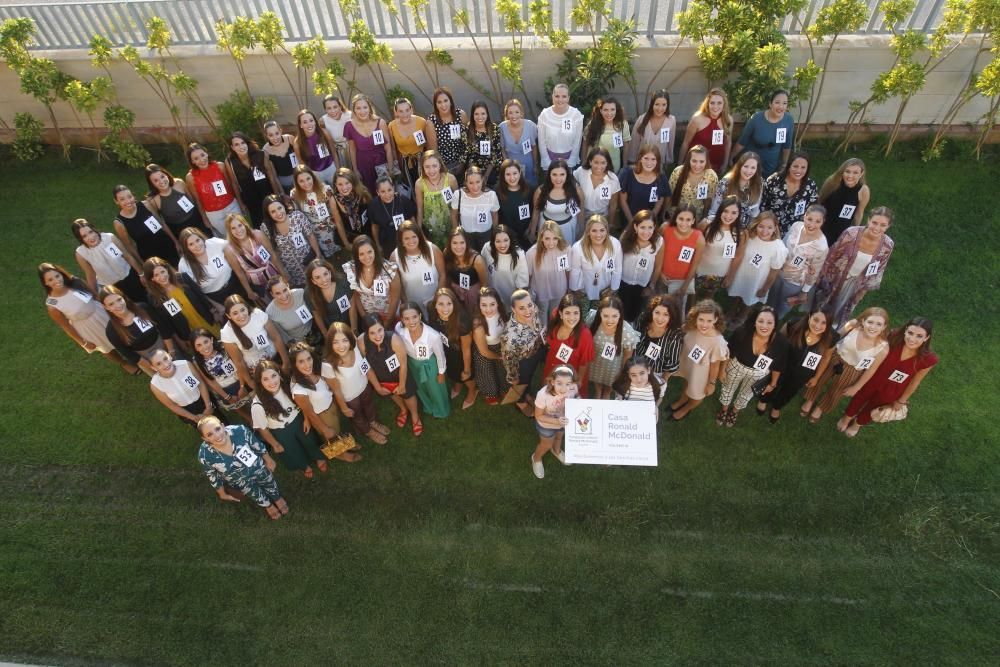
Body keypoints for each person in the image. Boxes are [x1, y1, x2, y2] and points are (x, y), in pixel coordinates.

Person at [837, 317, 938, 437]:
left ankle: (857, 424)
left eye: (919, 336)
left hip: (893, 390)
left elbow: (915, 382)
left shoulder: (928, 359)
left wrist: (901, 401)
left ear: (926, 338)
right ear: (905, 330)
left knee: (873, 408)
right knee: (859, 397)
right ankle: (846, 418)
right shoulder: (893, 337)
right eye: (910, 333)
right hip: (873, 379)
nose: (912, 339)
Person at [39, 262, 136, 373]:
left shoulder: (74, 282)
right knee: (106, 348)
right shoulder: (53, 305)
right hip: (87, 326)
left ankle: (136, 353)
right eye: (50, 279)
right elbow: (66, 327)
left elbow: (94, 294)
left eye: (57, 276)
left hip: (100, 311)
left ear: (61, 274)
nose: (56, 281)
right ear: (45, 283)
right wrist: (83, 342)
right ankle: (123, 363)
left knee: (123, 333)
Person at [801, 306, 891, 424]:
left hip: (852, 370)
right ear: (863, 321)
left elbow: (871, 370)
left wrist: (856, 387)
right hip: (835, 357)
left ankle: (820, 408)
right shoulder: (853, 326)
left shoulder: (883, 348)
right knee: (820, 378)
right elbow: (834, 337)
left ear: (884, 327)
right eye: (870, 322)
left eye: (879, 324)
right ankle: (810, 399)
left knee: (837, 391)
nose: (873, 327)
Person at [813, 207, 895, 329]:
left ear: (888, 226)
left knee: (840, 314)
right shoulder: (851, 233)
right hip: (834, 278)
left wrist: (863, 290)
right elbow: (832, 254)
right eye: (874, 223)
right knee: (822, 307)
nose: (877, 228)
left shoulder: (887, 245)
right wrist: (821, 276)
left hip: (856, 285)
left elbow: (879, 268)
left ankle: (830, 333)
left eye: (883, 225)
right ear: (868, 220)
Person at [197, 416, 288, 520]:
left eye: (217, 429)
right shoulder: (205, 455)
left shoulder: (239, 431)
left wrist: (268, 459)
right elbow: (212, 475)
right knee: (254, 493)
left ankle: (277, 498)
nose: (217, 435)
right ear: (204, 438)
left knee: (269, 482)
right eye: (209, 434)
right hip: (240, 480)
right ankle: (268, 505)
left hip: (258, 467)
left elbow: (256, 444)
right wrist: (222, 493)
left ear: (222, 426)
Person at [251, 360, 329, 478]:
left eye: (273, 376)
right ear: (259, 382)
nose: (272, 382)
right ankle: (304, 465)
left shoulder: (289, 385)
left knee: (309, 440)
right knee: (292, 450)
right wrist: (275, 444)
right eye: (265, 379)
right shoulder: (257, 405)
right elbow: (263, 429)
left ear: (279, 373)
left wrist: (306, 419)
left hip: (299, 420)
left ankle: (318, 457)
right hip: (281, 431)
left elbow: (302, 404)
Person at [715, 305, 789, 427]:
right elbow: (729, 353)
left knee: (746, 395)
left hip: (759, 373)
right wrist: (722, 370)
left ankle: (734, 412)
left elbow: (779, 365)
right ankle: (724, 409)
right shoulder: (741, 333)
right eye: (761, 321)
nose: (764, 326)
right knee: (728, 388)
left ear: (775, 325)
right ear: (755, 322)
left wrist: (773, 383)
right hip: (737, 366)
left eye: (769, 322)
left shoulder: (781, 343)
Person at [759, 307, 835, 424]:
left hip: (802, 374)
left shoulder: (830, 338)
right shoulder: (793, 325)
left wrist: (816, 377)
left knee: (789, 391)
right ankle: (764, 400)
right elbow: (778, 343)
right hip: (781, 365)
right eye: (816, 320)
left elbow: (826, 358)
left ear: (828, 324)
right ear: (809, 317)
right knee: (772, 383)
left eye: (824, 323)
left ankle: (777, 407)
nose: (818, 326)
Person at [288, 341, 361, 463]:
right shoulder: (298, 389)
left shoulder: (318, 369)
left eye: (308, 359)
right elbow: (309, 412)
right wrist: (324, 429)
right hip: (321, 416)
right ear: (294, 364)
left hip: (331, 406)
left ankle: (346, 444)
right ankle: (342, 455)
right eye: (301, 361)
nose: (307, 365)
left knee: (337, 431)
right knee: (330, 437)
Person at [324, 322, 391, 443]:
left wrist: (377, 387)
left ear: (350, 339)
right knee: (358, 416)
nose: (341, 346)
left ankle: (373, 422)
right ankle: (368, 431)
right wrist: (344, 408)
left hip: (365, 387)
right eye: (335, 342)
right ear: (330, 344)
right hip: (350, 398)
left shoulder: (355, 349)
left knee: (369, 406)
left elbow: (367, 368)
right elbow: (336, 390)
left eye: (344, 340)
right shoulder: (328, 365)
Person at [358, 313, 422, 436]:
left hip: (400, 374)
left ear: (383, 327)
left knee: (407, 395)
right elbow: (366, 366)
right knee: (392, 394)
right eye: (372, 333)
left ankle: (415, 416)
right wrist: (377, 386)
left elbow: (403, 364)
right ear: (366, 333)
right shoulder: (361, 342)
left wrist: (402, 384)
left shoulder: (394, 340)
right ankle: (403, 410)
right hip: (381, 376)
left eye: (380, 330)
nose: (377, 336)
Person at [724, 211, 787, 323]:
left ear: (775, 228)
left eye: (769, 227)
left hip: (757, 282)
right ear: (756, 225)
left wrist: (765, 288)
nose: (764, 231)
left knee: (749, 299)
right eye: (761, 226)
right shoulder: (749, 237)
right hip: (742, 275)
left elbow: (774, 271)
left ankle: (741, 317)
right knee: (737, 294)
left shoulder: (779, 248)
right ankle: (731, 311)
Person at [670, 299, 729, 420]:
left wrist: (711, 383)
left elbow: (715, 366)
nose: (704, 324)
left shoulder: (717, 342)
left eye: (709, 321)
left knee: (697, 395)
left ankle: (686, 409)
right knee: (687, 382)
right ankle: (682, 400)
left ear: (716, 320)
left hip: (701, 373)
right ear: (695, 317)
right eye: (701, 319)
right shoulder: (692, 328)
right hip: (690, 365)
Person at [768, 204, 829, 319]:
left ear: (823, 222)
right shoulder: (796, 226)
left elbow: (814, 272)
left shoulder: (821, 246)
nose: (812, 224)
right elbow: (783, 245)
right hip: (778, 271)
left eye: (817, 221)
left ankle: (775, 321)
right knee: (772, 297)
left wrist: (805, 291)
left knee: (784, 304)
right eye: (809, 219)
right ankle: (766, 314)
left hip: (794, 282)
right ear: (804, 216)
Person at [100, 285, 177, 375]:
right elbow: (129, 354)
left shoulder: (142, 308)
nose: (118, 305)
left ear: (123, 298)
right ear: (106, 307)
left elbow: (163, 328)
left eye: (119, 300)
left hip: (165, 345)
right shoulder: (111, 331)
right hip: (145, 358)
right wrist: (153, 366)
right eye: (111, 304)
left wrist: (171, 351)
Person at [220, 294, 290, 389]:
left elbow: (276, 338)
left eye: (242, 310)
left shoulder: (258, 314)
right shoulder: (227, 333)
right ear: (229, 316)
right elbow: (238, 361)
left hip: (276, 359)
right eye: (235, 313)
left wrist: (286, 362)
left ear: (247, 308)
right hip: (257, 371)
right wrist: (250, 382)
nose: (241, 315)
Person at [143, 256, 220, 343]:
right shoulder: (154, 298)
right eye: (156, 275)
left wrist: (214, 312)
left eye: (162, 271)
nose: (162, 277)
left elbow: (201, 296)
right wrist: (181, 340)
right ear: (152, 279)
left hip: (208, 321)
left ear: (167, 270)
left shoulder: (183, 278)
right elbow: (167, 322)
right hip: (189, 334)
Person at [395, 302, 451, 419]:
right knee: (420, 387)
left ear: (420, 316)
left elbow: (440, 356)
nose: (411, 322)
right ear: (402, 319)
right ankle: (428, 405)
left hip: (429, 365)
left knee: (435, 389)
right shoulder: (399, 330)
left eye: (414, 317)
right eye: (406, 318)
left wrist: (441, 373)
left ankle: (441, 409)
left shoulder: (433, 335)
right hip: (412, 363)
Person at [71, 218, 145, 303]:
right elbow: (90, 275)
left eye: (90, 232)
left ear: (94, 229)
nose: (90, 237)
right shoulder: (81, 254)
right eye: (84, 236)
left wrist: (141, 273)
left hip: (131, 277)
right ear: (80, 239)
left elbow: (127, 256)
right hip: (113, 289)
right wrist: (95, 295)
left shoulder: (109, 238)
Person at [191, 328, 254, 422]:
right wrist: (227, 397)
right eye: (199, 345)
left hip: (241, 380)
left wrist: (242, 386)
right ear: (195, 348)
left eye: (206, 342)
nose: (204, 347)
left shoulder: (223, 346)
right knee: (242, 411)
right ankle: (251, 422)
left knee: (255, 403)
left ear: (211, 340)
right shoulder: (197, 361)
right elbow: (211, 381)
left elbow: (238, 364)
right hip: (225, 389)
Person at [500, 289, 546, 417]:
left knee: (529, 378)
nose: (528, 311)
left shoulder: (534, 310)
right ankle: (520, 402)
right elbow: (508, 359)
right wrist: (513, 377)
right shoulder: (510, 336)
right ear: (514, 310)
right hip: (522, 362)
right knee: (521, 381)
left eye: (529, 305)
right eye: (521, 308)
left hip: (535, 352)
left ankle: (526, 393)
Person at [260, 194, 322, 287]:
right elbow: (273, 253)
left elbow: (310, 236)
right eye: (273, 212)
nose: (278, 213)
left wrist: (318, 255)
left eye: (279, 208)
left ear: (284, 206)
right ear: (269, 214)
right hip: (291, 270)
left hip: (309, 261)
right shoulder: (266, 228)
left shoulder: (297, 216)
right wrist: (283, 273)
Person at [429, 287, 477, 409]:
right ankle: (457, 385)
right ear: (435, 305)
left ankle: (472, 390)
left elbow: (466, 349)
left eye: (449, 304)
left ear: (454, 304)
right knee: (452, 371)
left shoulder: (462, 321)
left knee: (464, 376)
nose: (445, 308)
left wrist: (467, 370)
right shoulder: (433, 315)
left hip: (461, 355)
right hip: (446, 351)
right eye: (441, 304)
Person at [389, 221, 447, 318]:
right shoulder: (395, 257)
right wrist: (408, 305)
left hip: (435, 303)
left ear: (419, 236)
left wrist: (438, 299)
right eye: (406, 238)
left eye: (414, 237)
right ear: (401, 241)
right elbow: (398, 286)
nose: (411, 241)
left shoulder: (433, 250)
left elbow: (443, 275)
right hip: (413, 306)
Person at [224, 131, 281, 228]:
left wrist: (277, 195)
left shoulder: (261, 154)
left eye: (243, 143)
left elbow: (271, 176)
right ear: (232, 147)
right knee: (260, 226)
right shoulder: (230, 162)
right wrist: (241, 203)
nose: (241, 146)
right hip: (251, 200)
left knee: (275, 221)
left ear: (247, 143)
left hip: (267, 194)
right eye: (237, 145)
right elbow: (234, 183)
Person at [111, 184, 180, 266]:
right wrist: (143, 263)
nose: (128, 201)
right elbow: (130, 246)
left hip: (168, 246)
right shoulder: (119, 223)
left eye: (129, 197)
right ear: (116, 201)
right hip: (151, 256)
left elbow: (162, 224)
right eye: (122, 199)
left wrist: (176, 242)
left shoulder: (146, 205)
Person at [177, 227, 245, 309]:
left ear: (202, 238)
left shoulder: (214, 243)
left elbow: (233, 245)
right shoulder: (184, 265)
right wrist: (215, 306)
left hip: (235, 284)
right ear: (186, 248)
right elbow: (195, 292)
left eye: (197, 240)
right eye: (191, 244)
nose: (197, 245)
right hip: (216, 297)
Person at [530, 365, 579, 479]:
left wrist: (578, 402)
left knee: (559, 437)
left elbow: (575, 397)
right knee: (546, 444)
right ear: (552, 382)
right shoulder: (543, 394)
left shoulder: (573, 388)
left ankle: (556, 451)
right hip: (547, 424)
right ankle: (536, 458)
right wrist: (556, 421)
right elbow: (538, 416)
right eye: (559, 383)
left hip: (564, 421)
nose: (564, 389)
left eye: (568, 384)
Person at [586, 294, 639, 400]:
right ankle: (598, 390)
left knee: (610, 381)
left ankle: (607, 392)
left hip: (614, 366)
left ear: (620, 315)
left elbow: (627, 357)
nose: (610, 321)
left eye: (614, 316)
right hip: (596, 361)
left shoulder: (626, 332)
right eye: (605, 316)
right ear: (600, 314)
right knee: (596, 376)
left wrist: (623, 372)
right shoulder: (592, 320)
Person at [731, 90, 795, 177]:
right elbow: (742, 141)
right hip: (751, 163)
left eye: (784, 103)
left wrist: (784, 164)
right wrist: (730, 158)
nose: (781, 106)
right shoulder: (756, 118)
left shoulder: (788, 120)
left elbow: (787, 145)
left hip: (771, 165)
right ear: (770, 104)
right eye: (777, 102)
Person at [184, 143, 242, 238]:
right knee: (227, 237)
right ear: (192, 162)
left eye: (202, 155)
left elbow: (231, 185)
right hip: (214, 214)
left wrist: (240, 202)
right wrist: (204, 218)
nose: (201, 160)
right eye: (196, 158)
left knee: (241, 230)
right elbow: (197, 200)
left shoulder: (220, 166)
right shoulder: (190, 177)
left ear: (207, 153)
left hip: (231, 206)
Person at [224, 213, 285, 304]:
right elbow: (239, 273)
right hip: (258, 284)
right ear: (229, 231)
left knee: (284, 297)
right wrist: (249, 291)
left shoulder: (257, 235)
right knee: (271, 305)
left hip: (274, 274)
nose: (238, 230)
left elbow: (272, 254)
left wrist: (283, 274)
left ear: (244, 224)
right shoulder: (229, 250)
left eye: (240, 225)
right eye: (233, 228)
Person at [542, 293, 595, 397]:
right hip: (551, 367)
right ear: (560, 314)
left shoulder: (584, 335)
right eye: (567, 313)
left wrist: (577, 383)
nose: (572, 317)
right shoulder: (555, 323)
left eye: (576, 313)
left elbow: (584, 363)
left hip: (570, 376)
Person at [148, 349, 216, 428]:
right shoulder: (156, 384)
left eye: (165, 358)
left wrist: (208, 406)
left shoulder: (185, 365)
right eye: (159, 364)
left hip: (203, 399)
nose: (165, 364)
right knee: (204, 429)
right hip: (187, 411)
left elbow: (200, 384)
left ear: (170, 356)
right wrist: (193, 417)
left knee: (218, 419)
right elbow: (172, 405)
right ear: (154, 367)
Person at [343, 234, 401, 324]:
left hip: (390, 315)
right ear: (356, 255)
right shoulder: (352, 270)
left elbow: (395, 298)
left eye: (369, 252)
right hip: (369, 318)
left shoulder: (389, 269)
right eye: (361, 254)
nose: (367, 257)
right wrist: (365, 318)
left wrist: (388, 322)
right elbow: (356, 296)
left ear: (375, 251)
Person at [618, 210, 663, 323]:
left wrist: (651, 286)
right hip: (623, 284)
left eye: (650, 227)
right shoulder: (625, 239)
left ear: (654, 227)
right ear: (635, 226)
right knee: (621, 313)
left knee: (636, 316)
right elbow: (617, 262)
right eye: (642, 227)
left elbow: (658, 266)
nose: (646, 232)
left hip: (642, 287)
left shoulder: (659, 241)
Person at [345, 93, 395, 194]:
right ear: (354, 110)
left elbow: (388, 147)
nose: (362, 111)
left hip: (381, 163)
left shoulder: (380, 122)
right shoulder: (349, 126)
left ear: (370, 108)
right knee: (370, 193)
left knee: (386, 191)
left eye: (365, 107)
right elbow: (352, 149)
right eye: (358, 108)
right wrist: (355, 170)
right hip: (363, 166)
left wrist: (390, 168)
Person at [659, 204, 704, 313]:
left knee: (677, 310)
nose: (684, 223)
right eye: (681, 219)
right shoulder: (665, 229)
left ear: (693, 221)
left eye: (688, 220)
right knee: (659, 305)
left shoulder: (699, 238)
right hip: (662, 277)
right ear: (676, 218)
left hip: (681, 281)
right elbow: (656, 252)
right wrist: (660, 273)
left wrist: (684, 287)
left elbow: (695, 265)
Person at [761, 150, 819, 236]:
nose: (798, 170)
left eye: (803, 167)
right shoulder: (773, 181)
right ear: (789, 166)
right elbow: (762, 205)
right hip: (769, 230)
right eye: (795, 166)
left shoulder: (810, 186)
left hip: (795, 232)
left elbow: (812, 211)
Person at [695, 195, 741, 301]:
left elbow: (738, 256)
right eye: (725, 211)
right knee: (693, 293)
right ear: (720, 210)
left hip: (720, 272)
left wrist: (730, 276)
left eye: (734, 213)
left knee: (710, 296)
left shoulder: (740, 233)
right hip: (700, 268)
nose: (728, 216)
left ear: (739, 214)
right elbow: (694, 243)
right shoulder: (707, 224)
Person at [290, 164, 340, 259]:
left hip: (330, 228)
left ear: (312, 177)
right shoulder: (294, 194)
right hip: (312, 231)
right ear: (296, 182)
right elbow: (298, 215)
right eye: (301, 181)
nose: (306, 183)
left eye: (308, 179)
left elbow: (335, 213)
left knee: (338, 253)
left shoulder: (325, 189)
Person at [143, 163, 207, 237]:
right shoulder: (152, 201)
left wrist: (204, 218)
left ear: (166, 174)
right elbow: (161, 224)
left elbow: (194, 202)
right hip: (179, 231)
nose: (161, 181)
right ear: (151, 184)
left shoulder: (179, 183)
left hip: (197, 221)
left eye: (162, 176)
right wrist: (175, 241)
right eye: (156, 180)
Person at [818, 157, 871, 246]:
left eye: (855, 173)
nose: (850, 176)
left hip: (841, 231)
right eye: (847, 171)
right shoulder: (832, 182)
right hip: (822, 226)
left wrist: (855, 232)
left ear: (861, 174)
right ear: (842, 171)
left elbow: (859, 213)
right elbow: (820, 201)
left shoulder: (863, 190)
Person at [570, 214, 623, 303]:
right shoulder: (577, 248)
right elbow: (575, 271)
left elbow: (618, 268)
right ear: (588, 232)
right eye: (594, 231)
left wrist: (613, 289)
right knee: (587, 316)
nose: (598, 235)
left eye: (602, 230)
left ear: (607, 231)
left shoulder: (615, 244)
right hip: (585, 292)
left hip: (606, 292)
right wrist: (574, 290)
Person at [679, 88, 733, 174]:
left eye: (719, 103)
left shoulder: (728, 120)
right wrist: (680, 166)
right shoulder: (697, 119)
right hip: (696, 166)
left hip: (716, 167)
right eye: (712, 103)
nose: (715, 106)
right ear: (707, 104)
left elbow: (728, 143)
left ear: (724, 104)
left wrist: (725, 165)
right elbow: (686, 143)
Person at [470, 287, 509, 406]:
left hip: (500, 346)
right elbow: (484, 351)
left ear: (498, 303)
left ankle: (504, 388)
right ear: (479, 305)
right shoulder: (478, 325)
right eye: (484, 305)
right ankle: (490, 393)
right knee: (486, 372)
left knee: (503, 370)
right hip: (485, 351)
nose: (488, 309)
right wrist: (499, 357)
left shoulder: (502, 313)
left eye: (492, 304)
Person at [634, 294, 684, 385]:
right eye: (657, 312)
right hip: (635, 366)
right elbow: (633, 342)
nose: (660, 318)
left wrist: (662, 383)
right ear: (651, 311)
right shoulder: (642, 320)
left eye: (666, 314)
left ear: (671, 316)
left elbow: (672, 364)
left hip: (656, 374)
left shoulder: (675, 335)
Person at [531, 158, 583, 245]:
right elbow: (536, 213)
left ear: (567, 175)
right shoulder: (541, 191)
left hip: (567, 230)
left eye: (562, 174)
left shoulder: (575, 190)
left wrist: (581, 231)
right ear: (549, 175)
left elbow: (580, 212)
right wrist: (532, 233)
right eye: (554, 174)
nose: (558, 179)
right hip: (546, 230)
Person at [525, 221, 571, 319]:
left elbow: (567, 271)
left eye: (555, 238)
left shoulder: (565, 249)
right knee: (542, 317)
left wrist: (568, 289)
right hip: (540, 293)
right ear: (541, 238)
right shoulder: (531, 253)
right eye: (547, 239)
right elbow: (528, 275)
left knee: (555, 317)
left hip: (559, 291)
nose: (551, 243)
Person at [414, 150, 459, 248]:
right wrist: (419, 231)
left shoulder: (450, 179)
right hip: (432, 228)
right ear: (423, 168)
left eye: (434, 166)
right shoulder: (419, 184)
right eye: (427, 167)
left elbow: (459, 203)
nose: (431, 170)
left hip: (451, 224)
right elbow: (420, 208)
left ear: (440, 165)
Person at [450, 165, 500, 251]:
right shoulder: (458, 195)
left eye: (478, 182)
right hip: (466, 235)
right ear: (466, 182)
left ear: (482, 180)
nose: (475, 186)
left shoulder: (491, 195)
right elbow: (453, 215)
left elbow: (494, 215)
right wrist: (457, 234)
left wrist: (495, 234)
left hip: (486, 235)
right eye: (471, 183)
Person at [707, 151, 763, 228]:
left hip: (744, 230)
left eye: (753, 168)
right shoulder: (726, 182)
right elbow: (714, 210)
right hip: (723, 227)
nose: (748, 171)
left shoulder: (759, 183)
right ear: (740, 166)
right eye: (746, 166)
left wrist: (750, 231)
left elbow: (755, 212)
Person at [537, 83, 585, 172]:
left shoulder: (575, 115)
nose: (560, 100)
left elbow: (577, 140)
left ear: (568, 97)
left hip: (569, 159)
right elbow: (541, 141)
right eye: (557, 96)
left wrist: (571, 161)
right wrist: (547, 161)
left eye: (564, 96)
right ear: (552, 97)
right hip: (550, 160)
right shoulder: (545, 115)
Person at [626, 89, 677, 172]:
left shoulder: (671, 121)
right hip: (641, 165)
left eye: (664, 105)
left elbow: (670, 143)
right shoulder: (642, 120)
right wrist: (632, 162)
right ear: (652, 104)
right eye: (657, 104)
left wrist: (668, 160)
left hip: (659, 165)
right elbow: (634, 144)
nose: (660, 108)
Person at [617, 144, 670, 224]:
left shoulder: (661, 177)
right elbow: (623, 201)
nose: (649, 162)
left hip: (650, 223)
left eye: (653, 159)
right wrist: (632, 223)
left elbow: (659, 202)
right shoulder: (627, 174)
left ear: (657, 161)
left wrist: (649, 222)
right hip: (629, 220)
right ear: (640, 159)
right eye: (646, 158)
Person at [574, 147, 620, 235]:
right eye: (596, 162)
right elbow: (571, 180)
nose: (599, 166)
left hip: (602, 216)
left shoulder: (613, 179)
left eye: (603, 163)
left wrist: (610, 224)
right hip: (582, 214)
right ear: (590, 161)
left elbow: (613, 204)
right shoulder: (581, 172)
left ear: (607, 163)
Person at [442, 228, 489, 316]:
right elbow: (446, 275)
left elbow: (484, 283)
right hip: (455, 294)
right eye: (454, 243)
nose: (458, 247)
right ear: (450, 244)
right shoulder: (447, 254)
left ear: (467, 243)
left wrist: (482, 302)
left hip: (473, 296)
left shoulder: (477, 260)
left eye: (462, 242)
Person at [367, 175, 416, 258]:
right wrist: (377, 244)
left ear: (393, 188)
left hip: (405, 241)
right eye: (383, 191)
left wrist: (416, 236)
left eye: (389, 190)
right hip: (387, 243)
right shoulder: (373, 205)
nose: (387, 194)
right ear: (377, 192)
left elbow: (412, 220)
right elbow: (375, 226)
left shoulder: (402, 200)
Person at [425, 86, 469, 176]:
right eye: (439, 102)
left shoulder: (461, 115)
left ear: (451, 101)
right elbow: (434, 151)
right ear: (435, 105)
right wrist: (444, 170)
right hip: (445, 167)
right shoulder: (431, 122)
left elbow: (468, 141)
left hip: (464, 163)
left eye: (445, 101)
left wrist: (463, 163)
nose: (443, 105)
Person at [481, 224, 529, 308]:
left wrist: (517, 306)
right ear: (493, 241)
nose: (502, 245)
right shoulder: (487, 248)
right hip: (491, 301)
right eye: (498, 241)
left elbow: (522, 286)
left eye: (505, 240)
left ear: (510, 240)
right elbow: (482, 268)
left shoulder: (519, 255)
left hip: (511, 301)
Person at [264, 275, 320, 347]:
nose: (284, 296)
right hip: (298, 344)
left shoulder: (300, 293)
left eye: (285, 290)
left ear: (288, 286)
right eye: (278, 293)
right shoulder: (270, 312)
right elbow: (282, 337)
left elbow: (316, 312)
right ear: (272, 294)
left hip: (316, 331)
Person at [305, 258, 355, 335]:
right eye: (317, 277)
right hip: (331, 331)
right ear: (313, 281)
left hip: (350, 325)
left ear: (330, 273)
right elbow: (316, 314)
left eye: (325, 274)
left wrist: (354, 329)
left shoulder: (343, 283)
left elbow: (352, 306)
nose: (324, 280)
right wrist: (325, 334)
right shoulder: (309, 293)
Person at [668, 145, 718, 220]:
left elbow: (709, 201)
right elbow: (669, 195)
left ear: (706, 161)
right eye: (694, 161)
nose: (697, 165)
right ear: (689, 160)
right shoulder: (678, 172)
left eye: (701, 161)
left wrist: (704, 219)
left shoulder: (711, 176)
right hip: (677, 216)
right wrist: (665, 215)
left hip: (697, 218)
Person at [582, 96, 631, 174]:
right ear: (600, 111)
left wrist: (624, 166)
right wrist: (584, 163)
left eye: (612, 110)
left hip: (613, 166)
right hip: (593, 166)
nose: (609, 113)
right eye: (605, 110)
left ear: (616, 110)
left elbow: (626, 146)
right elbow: (585, 143)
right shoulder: (593, 124)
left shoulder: (622, 124)